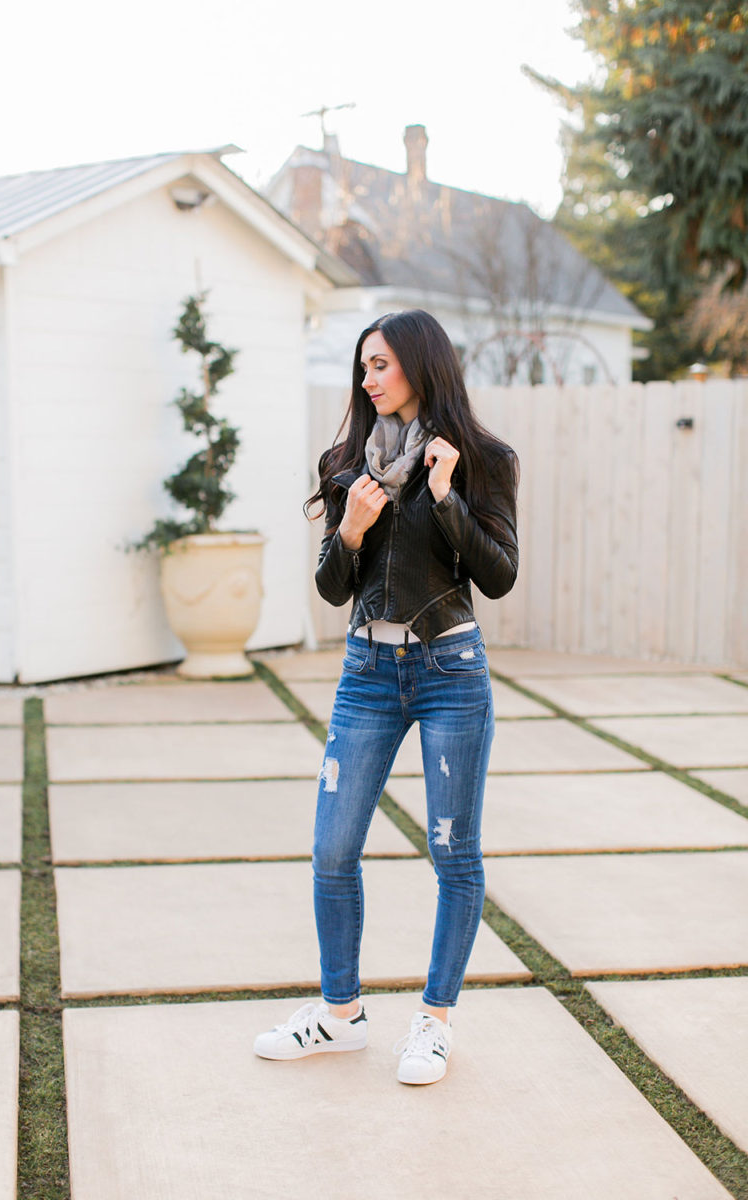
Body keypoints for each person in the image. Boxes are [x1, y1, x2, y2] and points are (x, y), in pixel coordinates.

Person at [254, 309, 519, 1085]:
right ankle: (340, 1016)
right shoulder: (346, 463)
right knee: (333, 850)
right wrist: (352, 531)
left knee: (454, 853)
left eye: (381, 364)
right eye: (363, 366)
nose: (368, 379)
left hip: (450, 671)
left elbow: (499, 575)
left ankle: (434, 1022)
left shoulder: (482, 459)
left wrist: (444, 496)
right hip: (367, 673)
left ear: (420, 364)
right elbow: (332, 588)